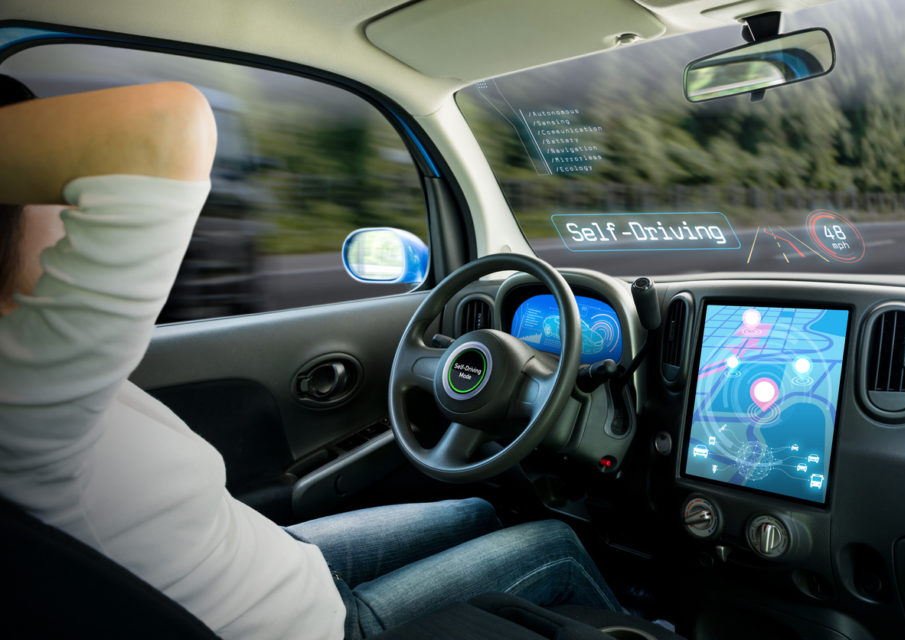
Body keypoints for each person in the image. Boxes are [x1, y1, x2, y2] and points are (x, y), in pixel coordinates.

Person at [0, 76, 622, 639]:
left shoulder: (37, 366)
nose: (70, 209)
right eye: (48, 193)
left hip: (278, 559)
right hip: (320, 627)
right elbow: (164, 122)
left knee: (480, 509)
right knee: (558, 544)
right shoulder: (27, 379)